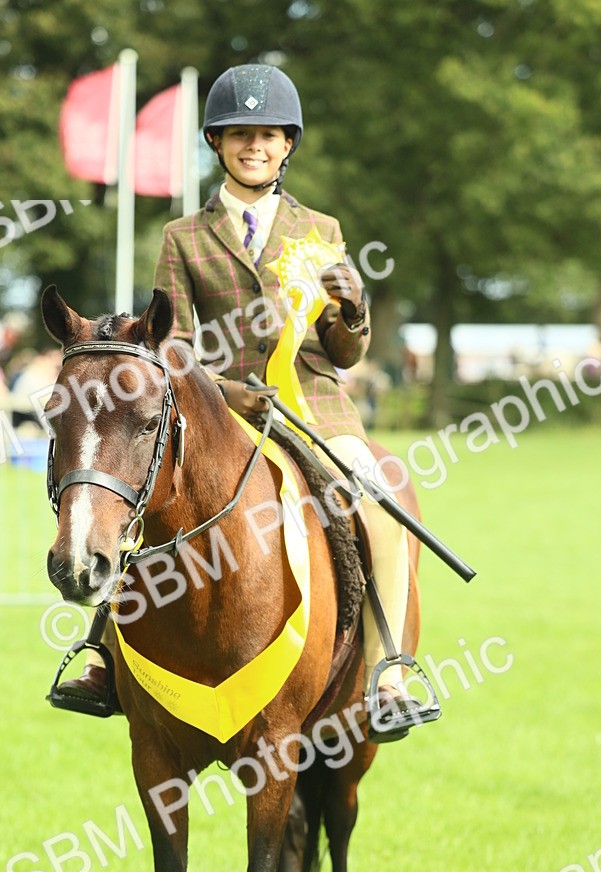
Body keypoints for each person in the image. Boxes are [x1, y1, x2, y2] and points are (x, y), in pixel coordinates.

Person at [64, 64, 435, 737]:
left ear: (287, 143)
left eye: (266, 135)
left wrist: (352, 313)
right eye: (239, 135)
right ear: (216, 143)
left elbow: (344, 351)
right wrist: (230, 391)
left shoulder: (320, 228)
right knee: (140, 501)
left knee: (381, 504)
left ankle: (390, 674)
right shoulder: (183, 237)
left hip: (317, 407)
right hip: (218, 411)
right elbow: (163, 342)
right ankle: (100, 652)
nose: (253, 146)